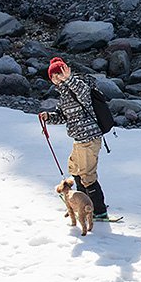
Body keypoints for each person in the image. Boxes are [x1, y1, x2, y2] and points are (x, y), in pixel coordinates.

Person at [38, 57, 111, 220]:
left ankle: (99, 211)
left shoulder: (77, 85)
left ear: (66, 72)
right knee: (75, 171)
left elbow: (82, 91)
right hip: (79, 140)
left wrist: (69, 78)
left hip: (89, 139)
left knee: (87, 175)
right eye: (54, 76)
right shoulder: (63, 94)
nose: (57, 78)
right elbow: (63, 116)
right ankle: (82, 204)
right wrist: (48, 117)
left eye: (60, 74)